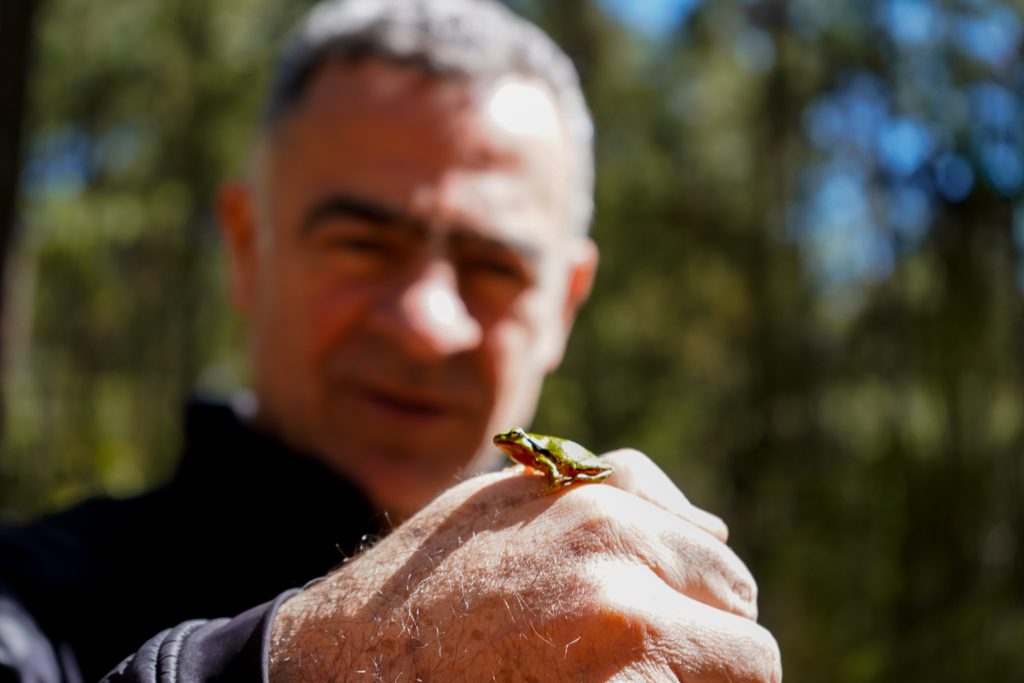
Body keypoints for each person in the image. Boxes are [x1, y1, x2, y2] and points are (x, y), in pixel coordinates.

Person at [1, 0, 782, 680]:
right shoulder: (32, 606)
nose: (426, 326)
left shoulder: (630, 627)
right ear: (246, 249)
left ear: (565, 306)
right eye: (363, 245)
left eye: (491, 266)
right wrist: (307, 664)